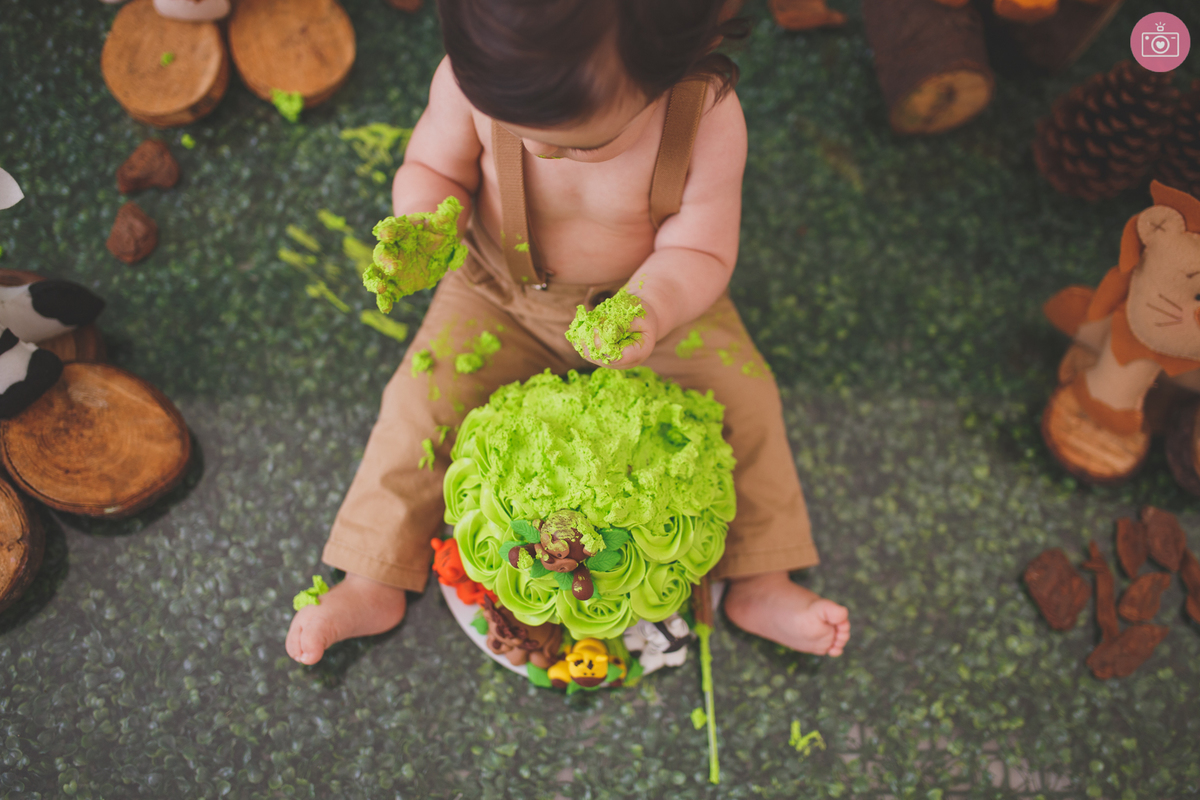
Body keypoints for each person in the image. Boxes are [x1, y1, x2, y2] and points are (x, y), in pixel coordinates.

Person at [286, 0, 850, 666]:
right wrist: (426, 223)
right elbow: (433, 171)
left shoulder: (704, 119)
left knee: (748, 404)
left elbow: (699, 251)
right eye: (517, 131)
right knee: (417, 405)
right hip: (498, 295)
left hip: (654, 305)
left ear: (668, 68)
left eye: (576, 141)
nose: (540, 149)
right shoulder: (469, 85)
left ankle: (760, 579)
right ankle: (371, 576)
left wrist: (651, 308)